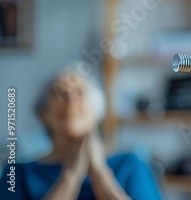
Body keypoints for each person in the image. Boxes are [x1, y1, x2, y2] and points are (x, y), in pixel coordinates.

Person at [0, 69, 163, 200]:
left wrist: (100, 173)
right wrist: (71, 177)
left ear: (96, 108)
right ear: (44, 113)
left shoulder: (130, 164)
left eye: (80, 92)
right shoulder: (17, 173)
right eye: (60, 93)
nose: (71, 100)